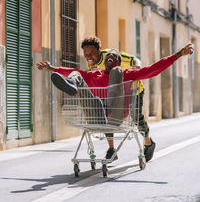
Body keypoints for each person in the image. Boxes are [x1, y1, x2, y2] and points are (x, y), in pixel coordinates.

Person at [36, 44, 193, 161]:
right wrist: (52, 68)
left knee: (136, 116)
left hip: (119, 110)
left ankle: (148, 142)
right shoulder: (95, 74)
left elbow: (153, 69)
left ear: (119, 62)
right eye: (108, 57)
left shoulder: (125, 73)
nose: (110, 58)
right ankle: (71, 85)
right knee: (78, 74)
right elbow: (72, 70)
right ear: (104, 61)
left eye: (114, 57)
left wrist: (178, 54)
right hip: (100, 113)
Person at [80, 36, 153, 162]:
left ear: (99, 51)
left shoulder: (112, 56)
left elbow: (134, 59)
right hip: (112, 92)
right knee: (107, 116)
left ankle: (148, 142)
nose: (88, 57)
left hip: (133, 90)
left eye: (91, 53)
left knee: (135, 116)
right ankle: (112, 149)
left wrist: (137, 66)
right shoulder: (90, 61)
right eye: (85, 54)